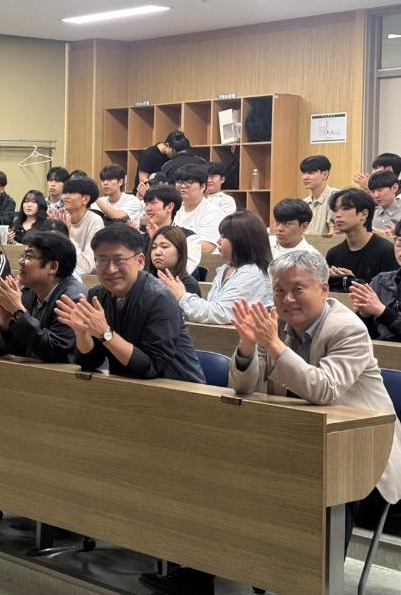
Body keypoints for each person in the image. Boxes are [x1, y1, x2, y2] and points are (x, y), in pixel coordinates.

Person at [145, 252, 401, 595]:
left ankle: (312, 585)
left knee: (327, 488)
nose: (287, 299)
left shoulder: (347, 329)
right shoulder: (274, 324)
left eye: (298, 289)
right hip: (297, 439)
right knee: (221, 469)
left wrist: (275, 345)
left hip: (361, 452)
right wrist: (248, 346)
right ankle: (199, 574)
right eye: (279, 291)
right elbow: (242, 386)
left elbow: (324, 390)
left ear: (324, 289)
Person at [54, 224, 204, 382]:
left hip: (178, 388)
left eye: (119, 260)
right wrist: (81, 333)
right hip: (127, 385)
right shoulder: (97, 295)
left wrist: (105, 333)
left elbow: (150, 367)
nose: (111, 269)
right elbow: (91, 362)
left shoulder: (160, 298)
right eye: (102, 260)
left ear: (140, 261)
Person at [159, 210, 272, 324]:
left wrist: (181, 296)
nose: (218, 241)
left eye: (223, 236)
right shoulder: (226, 268)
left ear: (241, 240)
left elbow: (218, 313)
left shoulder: (252, 274)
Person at [0, 231, 85, 362]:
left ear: (52, 267)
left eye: (28, 257)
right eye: (22, 256)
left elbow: (55, 351)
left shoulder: (73, 298)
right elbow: (1, 349)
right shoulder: (27, 293)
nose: (20, 261)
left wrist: (18, 312)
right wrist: (4, 322)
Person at [326, 187, 397, 291]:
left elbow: (390, 295)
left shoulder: (387, 252)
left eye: (345, 208)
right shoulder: (333, 254)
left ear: (364, 214)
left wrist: (355, 283)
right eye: (335, 210)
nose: (338, 215)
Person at [351, 220, 401, 341]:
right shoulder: (380, 280)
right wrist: (364, 314)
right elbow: (363, 335)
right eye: (399, 243)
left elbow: (380, 311)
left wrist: (381, 311)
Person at [142, 185, 201, 274]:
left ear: (170, 207)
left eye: (153, 203)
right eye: (146, 204)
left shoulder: (190, 238)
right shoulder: (140, 238)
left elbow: (185, 271)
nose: (147, 209)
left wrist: (157, 238)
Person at [172, 164, 226, 255]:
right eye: (179, 182)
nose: (182, 186)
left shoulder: (212, 212)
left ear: (203, 186)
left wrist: (170, 246)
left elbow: (206, 247)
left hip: (204, 262)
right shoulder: (175, 208)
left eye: (189, 182)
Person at [57, 176, 104, 274]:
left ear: (85, 199)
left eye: (71, 193)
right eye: (64, 192)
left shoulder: (95, 221)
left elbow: (87, 268)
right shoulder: (60, 217)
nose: (65, 197)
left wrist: (67, 236)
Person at [145, 226, 201, 296]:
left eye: (164, 246)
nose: (157, 252)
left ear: (180, 252)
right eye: (154, 247)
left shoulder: (188, 284)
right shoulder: (145, 280)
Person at [300, 155, 337, 236]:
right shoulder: (303, 203)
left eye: (310, 173)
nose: (305, 177)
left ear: (325, 174)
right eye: (303, 173)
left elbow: (334, 234)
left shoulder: (336, 197)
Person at [368, 170, 401, 237]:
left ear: (394, 188)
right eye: (372, 191)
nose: (376, 195)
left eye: (380, 190)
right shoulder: (370, 213)